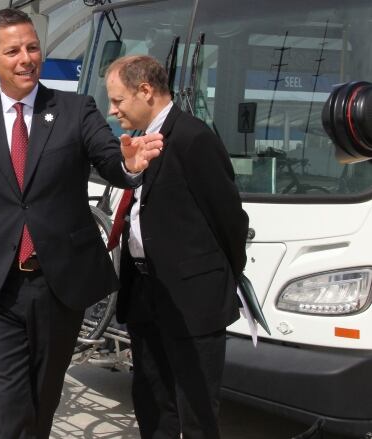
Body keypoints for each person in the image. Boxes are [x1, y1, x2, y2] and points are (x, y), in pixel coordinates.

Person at [0, 8, 163, 438]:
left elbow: (110, 158)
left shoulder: (76, 110)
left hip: (59, 286)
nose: (26, 58)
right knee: (8, 403)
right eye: (13, 50)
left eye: (32, 47)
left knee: (42, 401)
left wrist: (128, 163)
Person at [104, 55, 248, 438]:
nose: (112, 109)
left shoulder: (194, 138)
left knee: (196, 410)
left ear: (146, 91)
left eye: (118, 100)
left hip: (192, 302)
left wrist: (215, 280)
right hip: (145, 294)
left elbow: (230, 222)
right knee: (152, 401)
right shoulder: (136, 145)